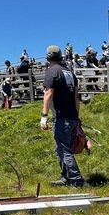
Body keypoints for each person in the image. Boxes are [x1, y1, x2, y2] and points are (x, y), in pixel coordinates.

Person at [40, 45, 86, 188]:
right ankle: (65, 177)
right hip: (72, 116)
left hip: (61, 117)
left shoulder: (51, 72)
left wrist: (44, 116)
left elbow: (48, 94)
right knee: (60, 148)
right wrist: (77, 117)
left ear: (48, 57)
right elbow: (76, 98)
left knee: (64, 149)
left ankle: (76, 179)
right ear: (60, 56)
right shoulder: (69, 73)